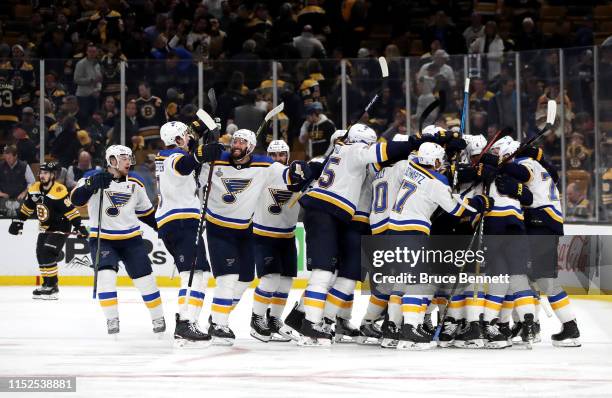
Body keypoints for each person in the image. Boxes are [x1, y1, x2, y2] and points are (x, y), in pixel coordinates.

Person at [199, 129, 309, 345]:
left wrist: (303, 169)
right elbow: (192, 165)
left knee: (253, 279)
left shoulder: (265, 167)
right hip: (238, 229)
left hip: (256, 232)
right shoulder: (218, 160)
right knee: (232, 278)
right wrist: (204, 147)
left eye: (242, 142)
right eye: (234, 141)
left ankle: (269, 319)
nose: (237, 145)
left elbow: (291, 176)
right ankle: (224, 321)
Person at [70, 145, 165, 335]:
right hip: (103, 239)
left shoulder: (136, 183)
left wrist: (162, 228)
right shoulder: (92, 179)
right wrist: (90, 186)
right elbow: (76, 199)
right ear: (111, 161)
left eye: (129, 157)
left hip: (131, 239)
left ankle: (158, 317)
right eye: (123, 158)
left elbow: (146, 214)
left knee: (146, 280)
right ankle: (112, 318)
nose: (128, 161)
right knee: (106, 278)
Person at [155, 121, 223, 346]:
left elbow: (191, 167)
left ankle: (189, 321)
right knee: (192, 274)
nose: (189, 139)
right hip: (180, 221)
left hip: (178, 221)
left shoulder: (164, 156)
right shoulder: (172, 157)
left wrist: (202, 133)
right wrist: (201, 152)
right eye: (186, 136)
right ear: (176, 140)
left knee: (200, 273)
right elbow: (184, 164)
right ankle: (184, 323)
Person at [515, 146, 581, 347]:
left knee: (543, 281)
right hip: (545, 225)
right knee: (532, 278)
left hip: (540, 226)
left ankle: (569, 327)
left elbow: (521, 174)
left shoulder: (524, 164)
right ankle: (532, 326)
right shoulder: (541, 166)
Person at [8, 162, 88, 299]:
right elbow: (27, 208)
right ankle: (46, 284)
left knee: (48, 252)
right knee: (40, 254)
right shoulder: (34, 189)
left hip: (61, 227)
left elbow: (71, 211)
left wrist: (80, 227)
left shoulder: (59, 190)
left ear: (53, 175)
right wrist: (18, 221)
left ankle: (53, 286)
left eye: (46, 173)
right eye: (41, 172)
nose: (42, 175)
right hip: (45, 228)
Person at [250, 140, 302, 342]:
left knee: (286, 282)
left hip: (287, 236)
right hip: (264, 235)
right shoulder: (262, 174)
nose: (278, 159)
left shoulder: (296, 175)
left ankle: (274, 320)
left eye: (282, 155)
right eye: (273, 155)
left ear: (288, 156)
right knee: (270, 279)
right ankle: (256, 319)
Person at [0, 145, 35, 217]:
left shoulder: (24, 166)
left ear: (15, 156)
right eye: (5, 158)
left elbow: (32, 182)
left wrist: (24, 193)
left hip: (20, 198)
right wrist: (1, 193)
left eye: (9, 158)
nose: (7, 160)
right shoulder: (1, 166)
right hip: (3, 198)